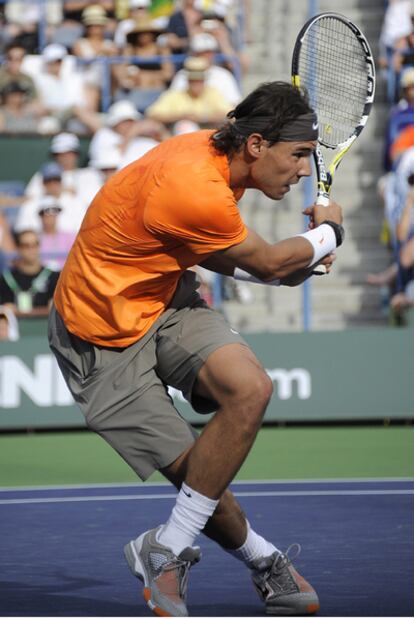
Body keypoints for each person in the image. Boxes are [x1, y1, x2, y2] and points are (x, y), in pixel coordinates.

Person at [48, 81, 343, 617]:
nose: (304, 170)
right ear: (255, 145)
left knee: (251, 389)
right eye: (298, 155)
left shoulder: (217, 159)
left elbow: (220, 253)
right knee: (199, 477)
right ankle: (261, 561)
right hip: (98, 336)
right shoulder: (193, 183)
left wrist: (282, 273)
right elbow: (269, 260)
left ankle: (165, 548)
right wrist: (329, 235)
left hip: (164, 300)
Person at [146, 56, 232, 125]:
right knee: (184, 125)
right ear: (188, 81)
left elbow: (230, 115)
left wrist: (203, 118)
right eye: (193, 80)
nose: (196, 83)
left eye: (200, 80)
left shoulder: (213, 93)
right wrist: (181, 117)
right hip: (181, 139)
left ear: (204, 80)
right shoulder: (175, 95)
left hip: (208, 137)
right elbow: (153, 114)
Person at [0, 229, 59, 317]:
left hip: (45, 328)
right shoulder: (6, 278)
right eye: (26, 246)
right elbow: (5, 310)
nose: (31, 249)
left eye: (35, 245)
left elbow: (56, 310)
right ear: (18, 248)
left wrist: (18, 312)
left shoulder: (54, 277)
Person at [16, 161, 87, 234]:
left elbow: (82, 230)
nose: (53, 184)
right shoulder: (30, 204)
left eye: (56, 180)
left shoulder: (75, 202)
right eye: (48, 180)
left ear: (61, 181)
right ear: (42, 183)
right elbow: (22, 232)